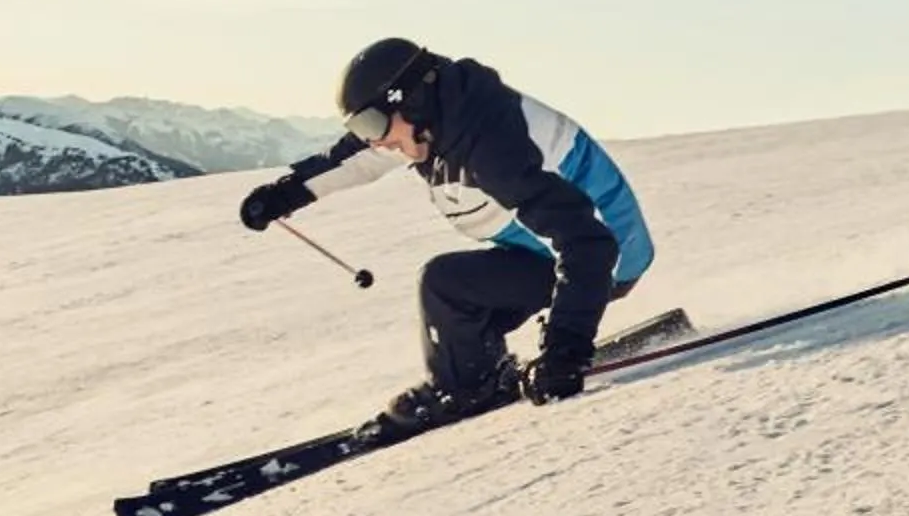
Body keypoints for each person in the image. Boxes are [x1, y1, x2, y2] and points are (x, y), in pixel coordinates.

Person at [238, 37, 654, 434]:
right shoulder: (436, 119)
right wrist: (286, 194)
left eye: (372, 123)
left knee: (446, 286)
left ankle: (469, 389)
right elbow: (359, 157)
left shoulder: (491, 146)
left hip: (603, 259)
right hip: (553, 250)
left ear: (412, 100)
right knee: (457, 296)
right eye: (361, 127)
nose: (375, 139)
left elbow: (589, 242)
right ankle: (481, 373)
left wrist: (567, 347)